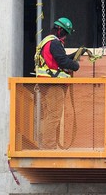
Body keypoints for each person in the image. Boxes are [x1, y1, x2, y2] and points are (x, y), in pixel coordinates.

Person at [35, 17, 84, 149]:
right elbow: (62, 61)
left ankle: (44, 145)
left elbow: (57, 59)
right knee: (54, 116)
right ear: (60, 30)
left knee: (47, 115)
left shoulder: (46, 42)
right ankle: (49, 147)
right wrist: (75, 66)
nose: (65, 37)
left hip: (44, 84)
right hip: (53, 85)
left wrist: (75, 54)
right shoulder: (55, 43)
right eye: (65, 33)